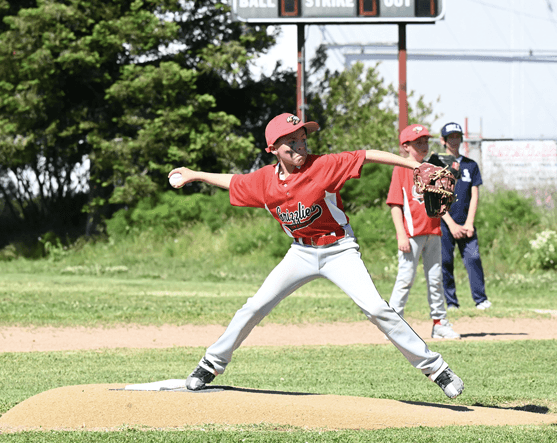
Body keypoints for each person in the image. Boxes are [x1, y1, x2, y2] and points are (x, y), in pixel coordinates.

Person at [167, 113, 465, 399]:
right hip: (301, 252)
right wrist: (195, 175)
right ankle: (211, 364)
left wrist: (411, 165)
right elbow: (234, 181)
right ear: (272, 149)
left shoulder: (323, 165)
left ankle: (437, 369)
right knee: (254, 306)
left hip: (339, 250)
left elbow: (367, 154)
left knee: (376, 309)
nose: (300, 145)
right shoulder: (264, 182)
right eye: (290, 142)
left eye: (302, 138)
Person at [385, 123, 459, 340]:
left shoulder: (432, 168)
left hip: (433, 230)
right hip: (411, 233)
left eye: (426, 141)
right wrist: (401, 233)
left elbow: (438, 202)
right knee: (405, 278)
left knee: (436, 279)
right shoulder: (401, 168)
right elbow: (395, 204)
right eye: (419, 142)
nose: (424, 145)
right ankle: (393, 325)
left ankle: (439, 323)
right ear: (405, 145)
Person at [437, 123, 492, 310]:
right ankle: (451, 303)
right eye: (450, 137)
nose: (454, 140)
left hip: (466, 223)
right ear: (443, 140)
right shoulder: (436, 163)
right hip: (445, 223)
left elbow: (474, 194)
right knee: (445, 261)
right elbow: (434, 197)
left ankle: (481, 299)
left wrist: (469, 222)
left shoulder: (470, 165)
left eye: (457, 136)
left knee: (473, 258)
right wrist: (451, 224)